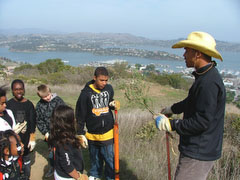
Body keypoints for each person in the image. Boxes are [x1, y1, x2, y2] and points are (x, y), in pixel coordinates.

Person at [154, 31, 226, 180]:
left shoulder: (208, 83)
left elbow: (202, 122)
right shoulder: (205, 76)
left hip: (199, 150)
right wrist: (172, 109)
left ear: (197, 53)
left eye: (187, 50)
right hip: (198, 148)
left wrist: (171, 125)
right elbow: (192, 101)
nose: (184, 55)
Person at [76, 67, 120, 180]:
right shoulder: (85, 94)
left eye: (106, 80)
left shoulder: (109, 89)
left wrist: (113, 103)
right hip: (92, 134)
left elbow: (109, 100)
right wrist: (80, 133)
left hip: (108, 133)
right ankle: (95, 175)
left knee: (109, 158)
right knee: (95, 157)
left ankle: (111, 177)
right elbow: (80, 115)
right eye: (101, 80)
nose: (104, 83)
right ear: (94, 78)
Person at [6, 79, 36, 180]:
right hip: (12, 141)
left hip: (26, 138)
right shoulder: (9, 104)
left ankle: (26, 176)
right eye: (16, 89)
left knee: (26, 160)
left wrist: (32, 138)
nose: (19, 92)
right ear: (12, 90)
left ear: (24, 90)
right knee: (14, 162)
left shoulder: (29, 104)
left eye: (21, 89)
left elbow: (32, 122)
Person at [48, 105, 88, 180]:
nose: (75, 119)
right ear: (67, 123)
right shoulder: (64, 143)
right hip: (68, 177)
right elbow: (67, 165)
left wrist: (76, 140)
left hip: (61, 173)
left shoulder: (58, 135)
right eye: (73, 118)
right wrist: (79, 177)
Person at [36, 84, 65, 178]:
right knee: (52, 153)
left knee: (63, 152)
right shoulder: (39, 105)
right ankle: (53, 168)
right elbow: (39, 121)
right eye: (44, 97)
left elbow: (65, 115)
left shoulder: (59, 101)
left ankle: (64, 168)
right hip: (49, 134)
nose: (47, 98)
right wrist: (45, 132)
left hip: (61, 132)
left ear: (50, 92)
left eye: (48, 95)